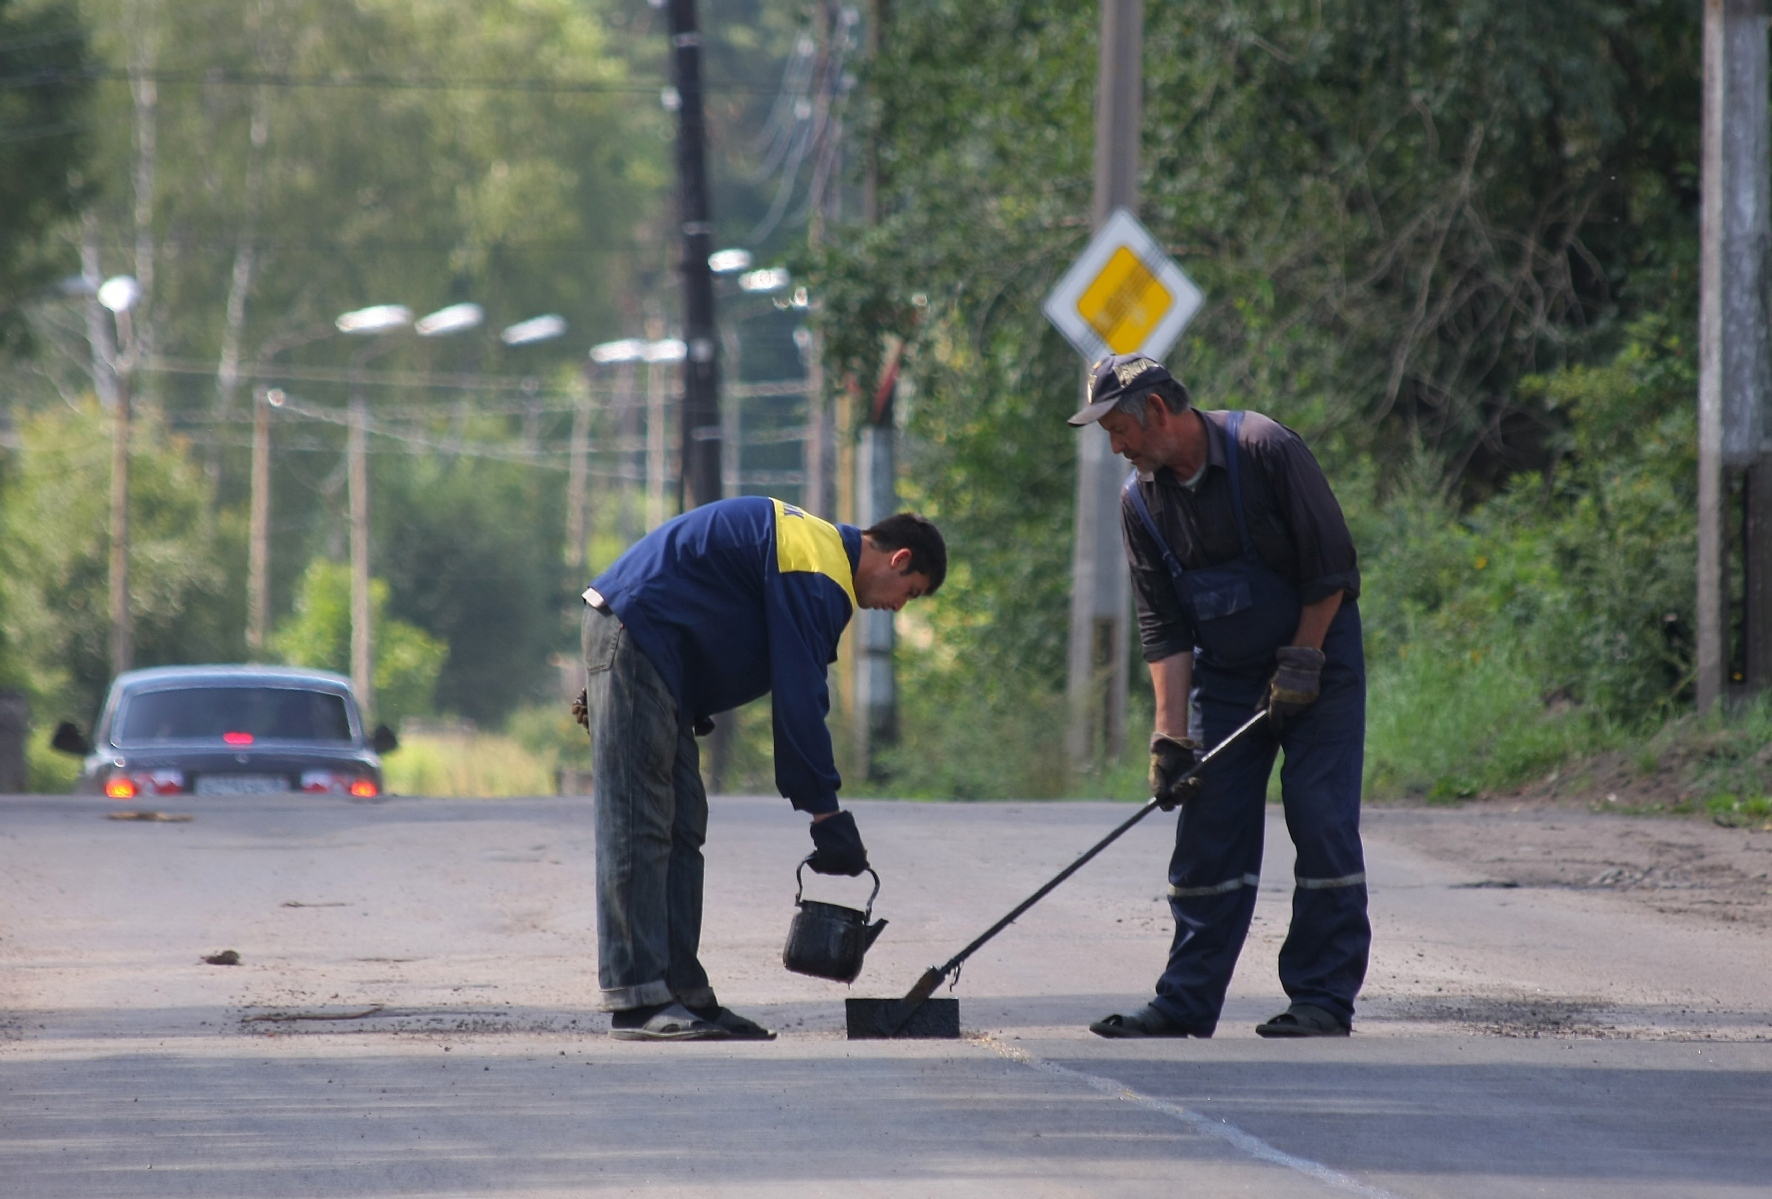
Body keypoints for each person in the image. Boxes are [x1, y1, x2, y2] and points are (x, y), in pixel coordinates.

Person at [1070, 354, 1369, 1039]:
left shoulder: (1266, 449)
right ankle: (1185, 1000)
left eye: (1120, 429)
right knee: (1208, 832)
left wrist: (1302, 661)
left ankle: (1322, 998)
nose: (1117, 445)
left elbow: (1331, 568)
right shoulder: (1139, 500)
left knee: (1319, 818)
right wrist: (1170, 736)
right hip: (1227, 679)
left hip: (1319, 661)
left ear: (1159, 412)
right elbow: (1164, 625)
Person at [577, 496, 945, 1041]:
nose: (898, 608)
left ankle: (683, 993)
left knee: (681, 826)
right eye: (909, 593)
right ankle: (637, 1000)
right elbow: (799, 697)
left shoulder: (817, 557)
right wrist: (826, 814)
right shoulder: (817, 566)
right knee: (640, 822)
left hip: (653, 652)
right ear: (899, 559)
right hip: (638, 635)